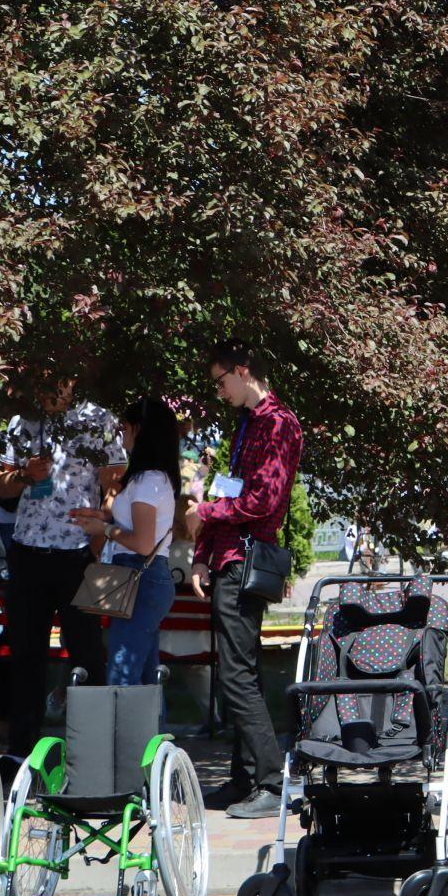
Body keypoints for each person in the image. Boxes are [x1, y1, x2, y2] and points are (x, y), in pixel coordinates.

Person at [188, 341, 304, 819]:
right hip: (229, 558)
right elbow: (230, 493)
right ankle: (245, 777)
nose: (219, 391)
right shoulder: (248, 424)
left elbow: (261, 502)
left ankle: (273, 781)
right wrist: (200, 555)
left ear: (242, 371)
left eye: (221, 381)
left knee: (237, 675)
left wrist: (205, 513)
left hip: (247, 560)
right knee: (236, 671)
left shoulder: (278, 424)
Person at [0, 381, 124, 756]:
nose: (47, 387)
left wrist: (101, 528)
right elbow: (0, 486)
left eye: (55, 378)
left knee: (87, 652)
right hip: (27, 550)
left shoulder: (98, 419)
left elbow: (115, 482)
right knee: (26, 654)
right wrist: (23, 476)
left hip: (80, 553)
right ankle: (23, 751)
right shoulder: (21, 422)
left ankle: (95, 753)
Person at [74, 397, 181, 700]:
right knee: (144, 677)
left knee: (122, 673)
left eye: (125, 429)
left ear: (140, 430)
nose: (122, 437)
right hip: (136, 576)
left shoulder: (150, 480)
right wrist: (103, 517)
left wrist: (104, 529)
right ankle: (152, 743)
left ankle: (128, 744)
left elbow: (143, 542)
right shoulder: (146, 478)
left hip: (142, 577)